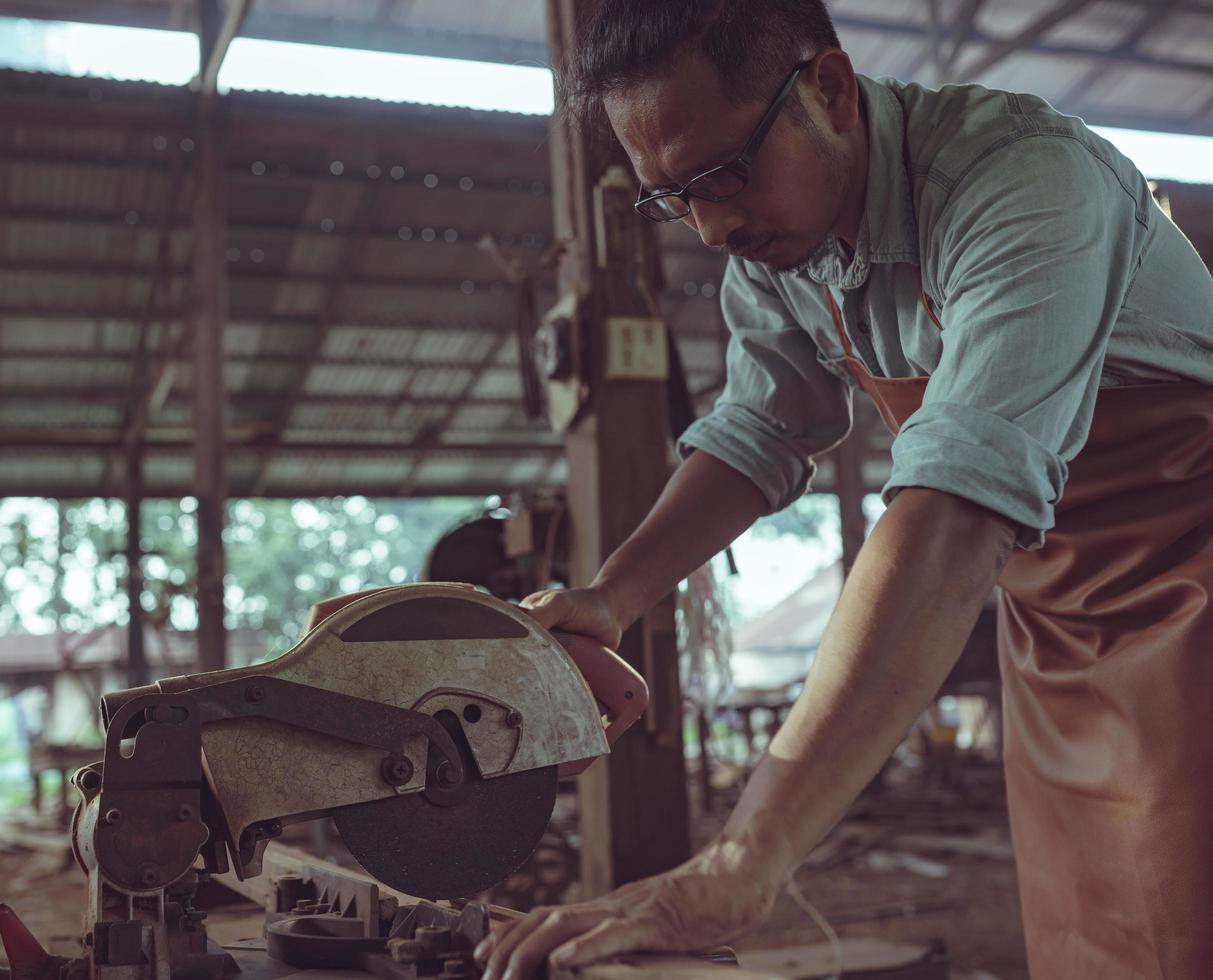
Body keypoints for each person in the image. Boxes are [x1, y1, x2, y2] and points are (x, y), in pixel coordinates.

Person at [464, 3, 1213, 979]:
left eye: (723, 172)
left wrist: (745, 855)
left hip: (1194, 593)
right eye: (672, 198)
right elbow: (758, 432)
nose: (712, 224)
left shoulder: (1026, 184)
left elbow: (953, 502)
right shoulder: (782, 254)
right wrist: (611, 596)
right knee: (1100, 944)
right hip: (1057, 631)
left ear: (828, 90)